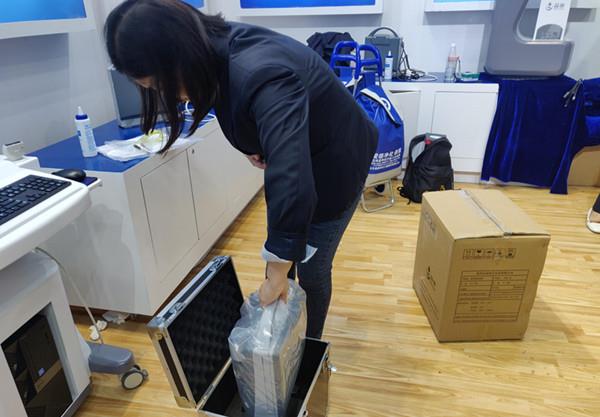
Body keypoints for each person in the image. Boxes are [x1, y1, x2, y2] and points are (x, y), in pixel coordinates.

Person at [105, 0, 378, 339]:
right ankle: (285, 338)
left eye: (160, 86)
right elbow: (258, 123)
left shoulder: (259, 71)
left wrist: (275, 274)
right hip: (306, 151)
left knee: (312, 267)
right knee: (284, 254)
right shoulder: (211, 50)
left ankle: (309, 347)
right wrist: (260, 143)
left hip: (338, 161)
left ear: (178, 56)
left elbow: (291, 176)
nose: (167, 97)